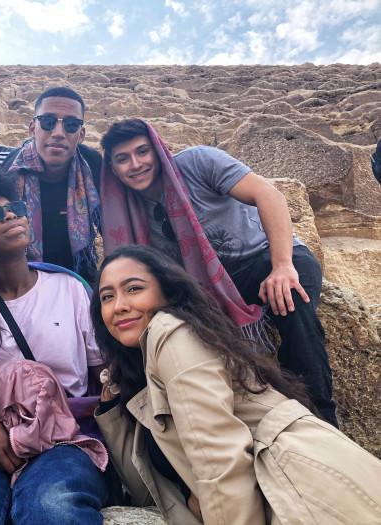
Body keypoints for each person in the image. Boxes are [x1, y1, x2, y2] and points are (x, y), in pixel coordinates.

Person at [92, 244, 381, 524]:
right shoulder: (141, 373)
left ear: (168, 292)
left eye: (134, 289)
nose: (119, 306)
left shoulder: (170, 332)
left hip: (308, 497)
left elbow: (219, 455)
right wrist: (111, 409)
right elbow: (146, 489)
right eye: (107, 297)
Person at [99, 118, 337, 426]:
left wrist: (281, 266)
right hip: (206, 288)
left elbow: (269, 196)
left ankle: (319, 417)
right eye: (123, 159)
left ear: (159, 151)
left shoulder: (199, 161)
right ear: (114, 168)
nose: (135, 164)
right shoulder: (128, 210)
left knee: (289, 296)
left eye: (142, 152)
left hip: (260, 259)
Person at [0, 172, 108, 524]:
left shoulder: (69, 288)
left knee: (53, 508)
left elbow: (100, 376)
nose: (10, 216)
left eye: (15, 208)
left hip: (64, 437)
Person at [0, 87, 102, 282]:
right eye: (48, 122)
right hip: (10, 282)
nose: (58, 133)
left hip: (77, 278)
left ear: (81, 135)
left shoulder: (93, 166)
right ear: (32, 128)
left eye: (71, 125)